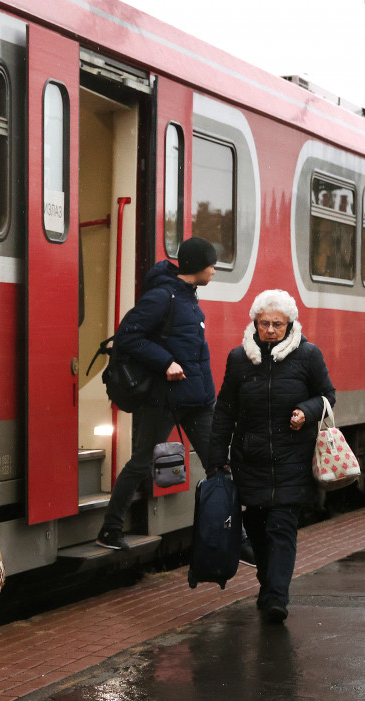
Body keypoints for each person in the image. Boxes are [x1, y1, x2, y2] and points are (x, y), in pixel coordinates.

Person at [209, 289, 335, 624]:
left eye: (277, 324)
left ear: (290, 324)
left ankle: (277, 596)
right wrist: (217, 456)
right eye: (264, 323)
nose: (270, 330)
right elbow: (225, 409)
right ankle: (268, 582)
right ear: (255, 322)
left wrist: (305, 412)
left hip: (292, 458)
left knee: (282, 526)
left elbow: (327, 396)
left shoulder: (308, 356)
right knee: (258, 527)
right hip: (250, 459)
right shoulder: (240, 359)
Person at [96, 237, 220, 550]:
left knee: (219, 465)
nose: (214, 270)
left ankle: (232, 533)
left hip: (198, 400)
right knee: (140, 463)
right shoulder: (162, 296)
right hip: (164, 400)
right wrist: (165, 362)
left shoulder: (188, 296)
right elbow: (127, 337)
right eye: (211, 264)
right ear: (196, 267)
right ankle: (110, 530)